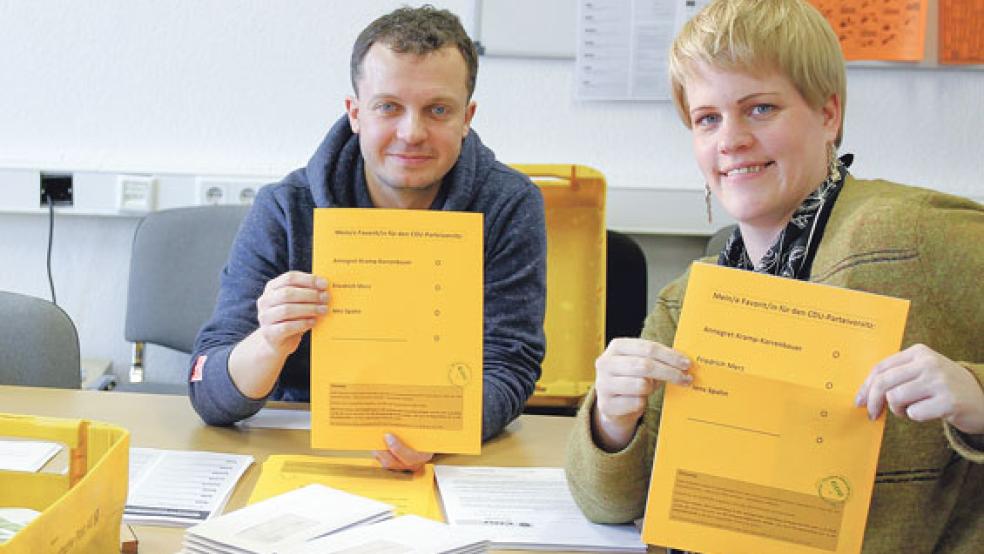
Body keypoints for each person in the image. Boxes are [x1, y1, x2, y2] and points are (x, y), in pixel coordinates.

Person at [565, 0, 983, 551]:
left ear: (828, 114)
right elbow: (606, 503)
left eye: (760, 109)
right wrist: (612, 423)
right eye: (707, 119)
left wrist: (976, 396)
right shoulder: (689, 298)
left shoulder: (914, 236)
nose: (729, 139)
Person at [189, 5, 546, 471]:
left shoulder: (508, 204)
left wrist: (437, 432)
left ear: (467, 117)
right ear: (356, 113)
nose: (412, 132)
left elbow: (508, 366)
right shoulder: (286, 207)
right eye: (388, 107)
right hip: (300, 449)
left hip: (440, 460)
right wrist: (269, 343)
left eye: (438, 110)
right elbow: (208, 394)